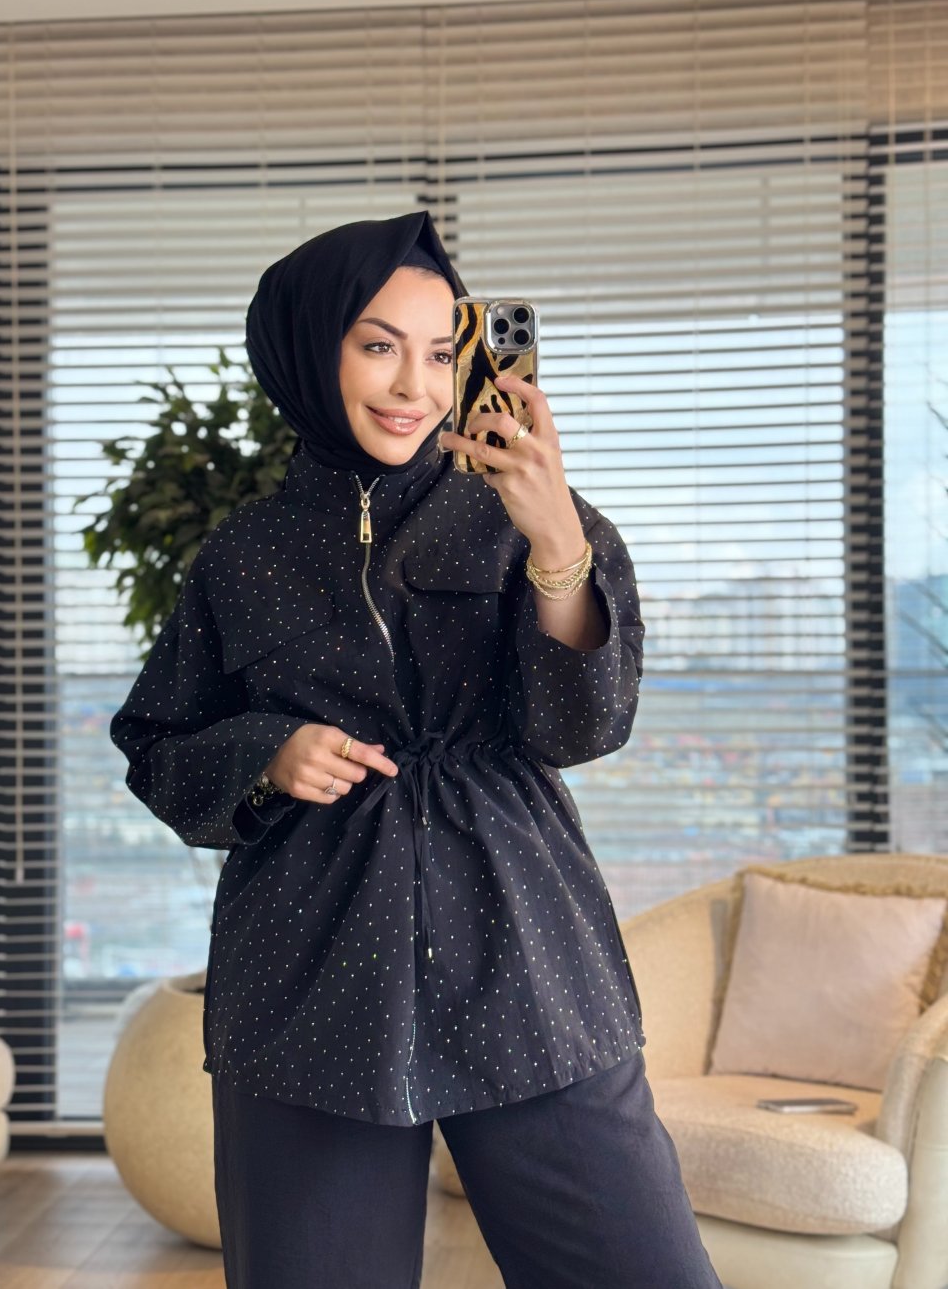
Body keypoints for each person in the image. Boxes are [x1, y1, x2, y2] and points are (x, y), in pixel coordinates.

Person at [109, 210, 723, 1288]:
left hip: (522, 949)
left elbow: (580, 729)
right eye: (378, 345)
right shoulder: (242, 553)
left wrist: (555, 541)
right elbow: (156, 742)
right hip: (307, 976)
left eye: (442, 352)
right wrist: (269, 753)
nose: (414, 385)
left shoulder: (527, 510)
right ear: (310, 350)